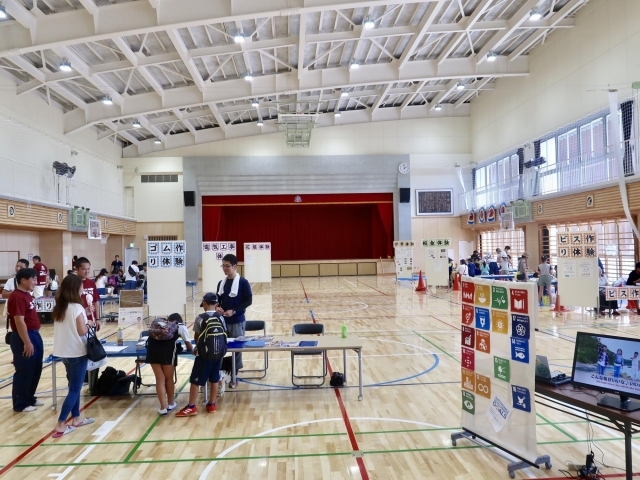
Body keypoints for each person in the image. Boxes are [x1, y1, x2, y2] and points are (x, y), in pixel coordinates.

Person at [51, 274, 96, 437]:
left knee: (73, 387)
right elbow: (82, 330)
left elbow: (71, 322)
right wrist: (89, 322)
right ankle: (61, 424)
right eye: (81, 286)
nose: (83, 289)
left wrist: (85, 313)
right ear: (76, 289)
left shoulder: (60, 307)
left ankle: (76, 418)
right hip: (77, 352)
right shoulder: (76, 307)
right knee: (75, 389)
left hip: (64, 352)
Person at [176, 293, 225, 416]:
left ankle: (191, 406)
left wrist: (197, 347)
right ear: (217, 304)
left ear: (204, 303)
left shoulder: (200, 318)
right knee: (215, 378)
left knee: (195, 380)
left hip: (204, 355)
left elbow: (197, 336)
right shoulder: (221, 317)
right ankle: (212, 404)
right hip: (218, 354)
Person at [7, 268, 43, 412]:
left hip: (34, 334)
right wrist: (27, 342)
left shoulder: (27, 295)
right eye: (33, 279)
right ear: (23, 280)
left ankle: (29, 398)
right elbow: (19, 321)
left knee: (35, 368)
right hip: (24, 336)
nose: (35, 282)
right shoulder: (17, 297)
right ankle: (20, 403)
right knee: (25, 370)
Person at [216, 254, 252, 387]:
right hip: (223, 322)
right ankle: (222, 373)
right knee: (221, 348)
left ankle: (234, 376)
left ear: (235, 266)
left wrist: (234, 311)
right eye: (223, 266)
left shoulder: (243, 282)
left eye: (227, 266)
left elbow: (248, 301)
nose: (225, 268)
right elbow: (218, 301)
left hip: (237, 321)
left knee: (236, 349)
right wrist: (217, 307)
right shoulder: (221, 283)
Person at [147, 312, 192, 416]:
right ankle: (171, 403)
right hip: (168, 351)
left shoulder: (159, 325)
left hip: (152, 349)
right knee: (168, 378)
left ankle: (163, 408)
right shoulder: (180, 326)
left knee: (160, 379)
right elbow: (189, 346)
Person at [75, 257, 101, 330]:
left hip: (91, 320)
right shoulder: (73, 284)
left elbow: (96, 301)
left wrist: (97, 319)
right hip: (78, 320)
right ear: (77, 269)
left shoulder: (91, 283)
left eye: (88, 269)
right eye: (84, 269)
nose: (87, 271)